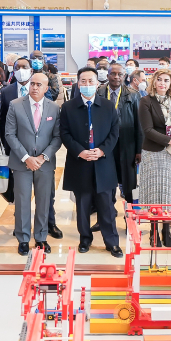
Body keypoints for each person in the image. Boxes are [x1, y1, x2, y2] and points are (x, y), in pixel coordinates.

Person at [60, 66, 122, 257]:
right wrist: (80, 151)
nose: (87, 85)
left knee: (107, 206)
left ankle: (112, 242)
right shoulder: (68, 107)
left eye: (91, 81)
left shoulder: (108, 106)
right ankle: (85, 239)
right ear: (78, 84)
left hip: (103, 163)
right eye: (83, 81)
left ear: (97, 83)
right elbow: (64, 133)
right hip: (80, 163)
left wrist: (102, 150)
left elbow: (114, 132)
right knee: (83, 205)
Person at [4, 73, 61, 256]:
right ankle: (23, 238)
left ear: (46, 88)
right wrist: (26, 157)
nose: (34, 87)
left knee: (44, 201)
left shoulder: (54, 108)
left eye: (39, 85)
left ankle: (41, 237)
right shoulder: (15, 105)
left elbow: (57, 137)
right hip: (22, 163)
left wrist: (43, 157)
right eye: (32, 84)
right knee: (21, 201)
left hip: (45, 164)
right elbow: (9, 135)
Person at [89, 63, 142, 232]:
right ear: (107, 75)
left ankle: (131, 222)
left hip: (127, 146)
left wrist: (139, 149)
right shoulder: (98, 92)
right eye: (113, 74)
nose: (116, 77)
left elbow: (139, 124)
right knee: (105, 185)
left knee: (129, 186)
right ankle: (104, 219)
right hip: (104, 146)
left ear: (125, 76)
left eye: (120, 74)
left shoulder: (133, 95)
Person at [138, 68, 171, 246]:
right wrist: (170, 141)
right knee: (153, 194)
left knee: (167, 193)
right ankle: (153, 232)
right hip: (153, 153)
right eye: (159, 80)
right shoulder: (146, 101)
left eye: (166, 80)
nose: (162, 83)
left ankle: (166, 231)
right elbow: (148, 130)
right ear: (154, 82)